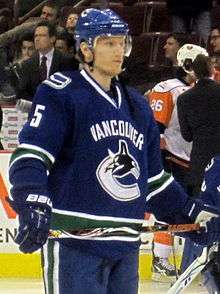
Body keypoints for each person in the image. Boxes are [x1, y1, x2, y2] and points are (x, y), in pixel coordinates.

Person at [7, 8, 220, 294]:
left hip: (125, 248)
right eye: (109, 42)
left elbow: (153, 182)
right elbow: (31, 155)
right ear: (86, 48)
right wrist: (31, 198)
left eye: (122, 42)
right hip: (76, 244)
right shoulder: (61, 92)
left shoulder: (137, 106)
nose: (118, 50)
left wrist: (191, 213)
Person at [146, 44, 207, 283]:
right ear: (188, 64)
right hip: (169, 158)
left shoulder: (198, 90)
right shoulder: (167, 89)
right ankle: (160, 259)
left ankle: (190, 260)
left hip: (189, 160)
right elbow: (154, 129)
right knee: (168, 208)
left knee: (188, 211)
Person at [177, 46, 220, 196]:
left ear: (193, 72)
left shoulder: (184, 99)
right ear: (212, 69)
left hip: (200, 163)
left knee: (200, 209)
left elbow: (187, 136)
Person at [17, 20, 78, 105]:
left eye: (42, 35)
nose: (37, 39)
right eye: (36, 36)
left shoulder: (67, 61)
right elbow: (22, 92)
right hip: (35, 109)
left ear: (52, 39)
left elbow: (72, 90)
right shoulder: (27, 64)